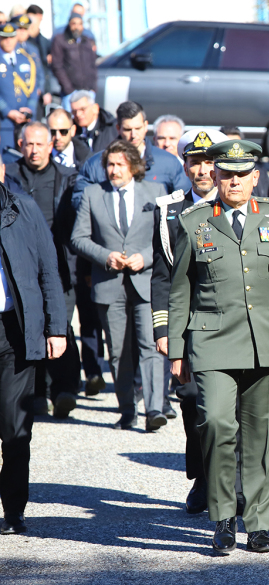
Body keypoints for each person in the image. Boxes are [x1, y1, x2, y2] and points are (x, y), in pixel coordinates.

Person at [167, 138, 269, 554]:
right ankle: (223, 517)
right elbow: (181, 291)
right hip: (212, 340)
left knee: (261, 436)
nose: (233, 182)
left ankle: (259, 524)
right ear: (214, 175)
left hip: (266, 341)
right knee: (215, 422)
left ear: (254, 178)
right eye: (226, 174)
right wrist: (177, 351)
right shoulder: (195, 221)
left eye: (241, 175)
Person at [151, 129, 226, 515]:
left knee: (232, 404)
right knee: (193, 401)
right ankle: (201, 476)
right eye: (195, 162)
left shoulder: (232, 204)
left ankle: (231, 483)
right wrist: (163, 329)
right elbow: (162, 275)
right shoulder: (168, 211)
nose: (203, 170)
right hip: (188, 323)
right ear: (185, 165)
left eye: (210, 162)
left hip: (228, 322)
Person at [70, 139, 166, 431]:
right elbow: (78, 238)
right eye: (110, 165)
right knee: (118, 350)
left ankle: (154, 410)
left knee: (150, 345)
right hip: (109, 283)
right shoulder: (92, 194)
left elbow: (167, 238)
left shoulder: (155, 192)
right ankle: (127, 410)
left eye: (119, 165)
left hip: (146, 282)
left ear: (134, 167)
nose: (113, 170)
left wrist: (145, 258)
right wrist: (105, 256)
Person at [0, 178, 67, 535]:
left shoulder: (23, 208)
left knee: (15, 428)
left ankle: (13, 510)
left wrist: (57, 327)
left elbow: (47, 270)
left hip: (14, 330)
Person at [6, 121, 79, 419]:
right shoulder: (8, 175)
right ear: (20, 145)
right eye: (29, 144)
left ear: (51, 146)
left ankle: (66, 389)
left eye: (40, 144)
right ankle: (39, 393)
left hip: (57, 267)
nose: (34, 150)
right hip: (18, 267)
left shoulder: (67, 178)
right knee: (28, 329)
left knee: (60, 327)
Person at [73, 101, 190, 206]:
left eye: (138, 128)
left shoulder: (168, 162)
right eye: (128, 130)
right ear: (118, 128)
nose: (133, 135)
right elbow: (80, 200)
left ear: (145, 126)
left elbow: (184, 199)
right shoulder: (96, 163)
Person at [0, 21, 38, 155]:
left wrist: (30, 109)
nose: (8, 41)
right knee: (8, 159)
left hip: (26, 120)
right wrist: (8, 112)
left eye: (11, 37)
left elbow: (34, 87)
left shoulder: (25, 58)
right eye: (5, 37)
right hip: (5, 123)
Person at [216, 126, 269, 199]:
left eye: (242, 175)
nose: (235, 181)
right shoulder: (213, 175)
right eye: (227, 174)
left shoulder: (260, 172)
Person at [51, 13, 96, 111]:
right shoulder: (60, 40)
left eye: (80, 24)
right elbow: (57, 66)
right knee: (71, 121)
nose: (77, 27)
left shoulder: (87, 41)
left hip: (88, 90)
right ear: (69, 24)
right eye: (74, 24)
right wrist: (68, 89)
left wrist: (93, 87)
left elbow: (93, 65)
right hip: (71, 91)